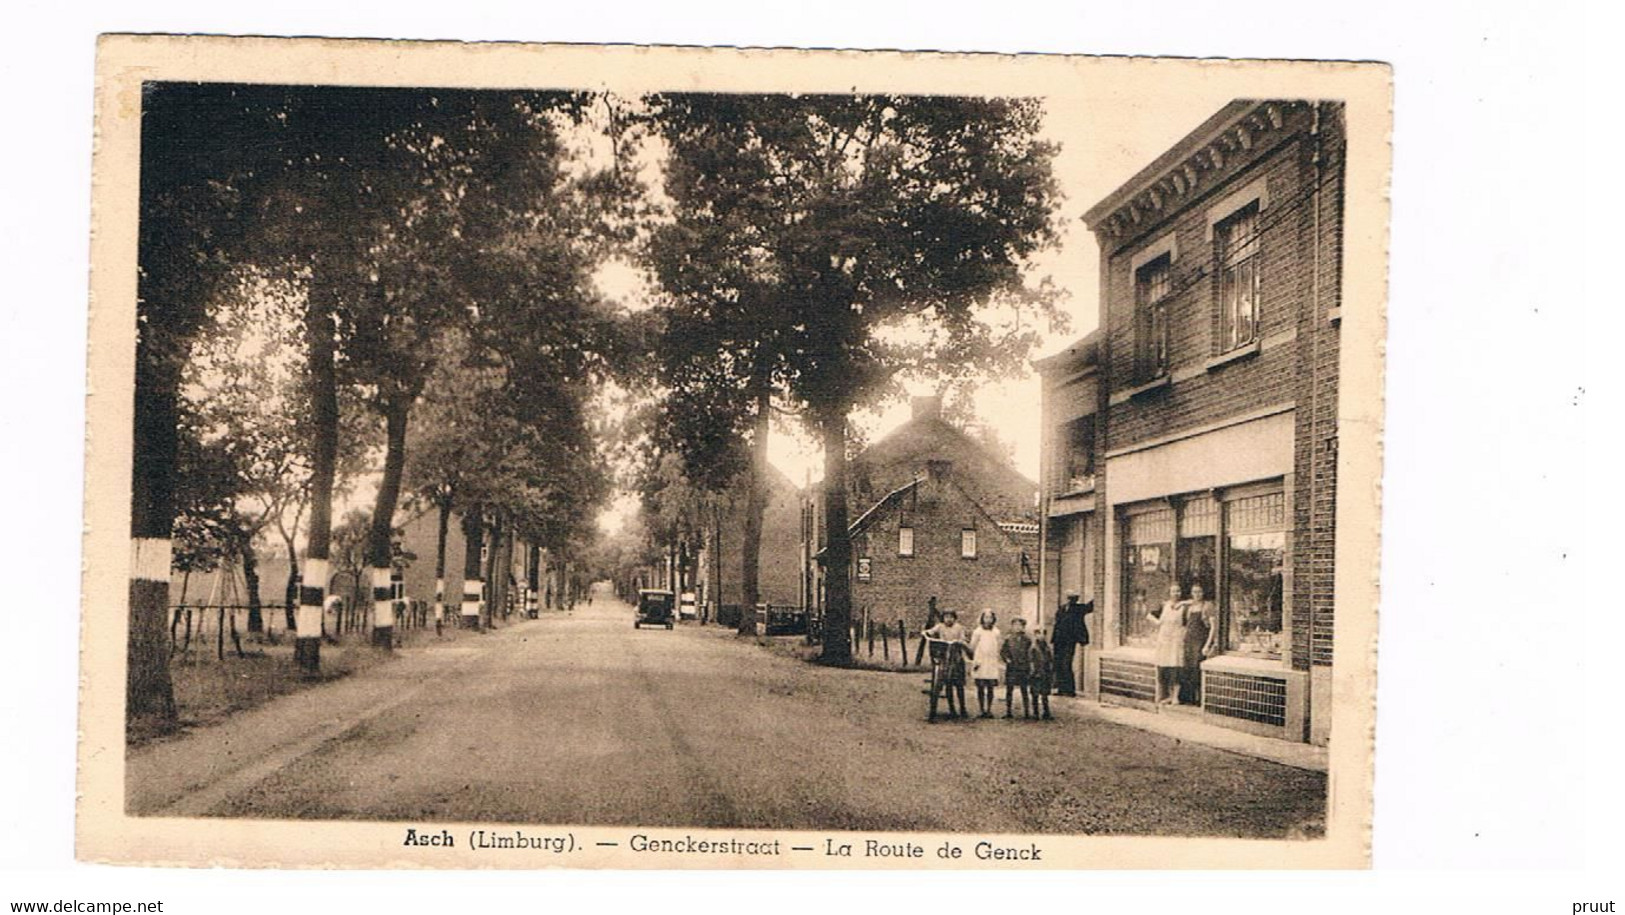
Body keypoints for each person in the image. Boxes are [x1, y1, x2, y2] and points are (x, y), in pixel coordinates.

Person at [922, 609, 969, 721]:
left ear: (955, 618)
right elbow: (930, 632)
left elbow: (963, 638)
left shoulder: (959, 628)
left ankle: (962, 708)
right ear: (943, 618)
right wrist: (926, 633)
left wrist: (960, 641)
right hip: (944, 658)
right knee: (945, 683)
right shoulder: (940, 627)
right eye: (946, 617)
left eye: (951, 617)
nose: (949, 619)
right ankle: (951, 708)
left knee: (958, 684)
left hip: (956, 658)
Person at [1149, 582, 1188, 705]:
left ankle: (1175, 696)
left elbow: (1194, 603)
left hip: (1176, 640)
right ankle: (1164, 695)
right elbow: (1149, 615)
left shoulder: (1184, 607)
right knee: (1164, 667)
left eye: (1178, 591)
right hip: (1164, 640)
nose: (1176, 594)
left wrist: (1183, 602)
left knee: (1176, 668)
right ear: (1169, 593)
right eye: (1173, 591)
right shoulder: (1164, 605)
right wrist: (1158, 623)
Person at [1180, 582, 1216, 705]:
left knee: (1197, 668)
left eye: (1199, 592)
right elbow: (1186, 625)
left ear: (1203, 592)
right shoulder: (1189, 607)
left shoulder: (1207, 606)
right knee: (1187, 668)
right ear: (1191, 593)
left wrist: (1207, 645)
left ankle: (1198, 699)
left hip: (1200, 640)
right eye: (1194, 592)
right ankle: (1187, 698)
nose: (1197, 595)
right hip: (1188, 640)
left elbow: (1213, 627)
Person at [1051, 594, 1092, 696]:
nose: (1071, 600)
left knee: (1066, 664)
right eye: (1069, 598)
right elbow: (1057, 623)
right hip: (1059, 641)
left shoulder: (1078, 608)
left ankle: (1070, 690)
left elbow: (1089, 607)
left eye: (1073, 599)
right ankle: (1061, 689)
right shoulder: (1061, 608)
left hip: (1069, 641)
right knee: (1058, 664)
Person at [967, 609, 1003, 719]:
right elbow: (972, 646)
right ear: (982, 618)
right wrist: (974, 660)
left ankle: (989, 709)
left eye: (990, 618)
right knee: (980, 687)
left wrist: (997, 658)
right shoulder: (978, 631)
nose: (988, 620)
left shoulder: (996, 632)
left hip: (991, 662)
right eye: (986, 617)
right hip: (981, 661)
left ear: (993, 619)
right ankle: (981, 709)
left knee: (990, 687)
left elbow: (999, 646)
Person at [999, 617, 1034, 719]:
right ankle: (1008, 711)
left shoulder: (1027, 640)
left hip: (1023, 668)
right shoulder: (1008, 639)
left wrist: (1029, 663)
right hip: (1012, 668)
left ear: (1023, 627)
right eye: (1015, 625)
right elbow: (1003, 652)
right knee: (1009, 690)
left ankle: (1027, 712)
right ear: (1012, 627)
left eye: (1020, 625)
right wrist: (1007, 659)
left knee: (1024, 690)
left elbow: (1030, 653)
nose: (1018, 627)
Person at [1029, 630, 1054, 720]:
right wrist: (1033, 671)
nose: (1041, 636)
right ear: (1035, 635)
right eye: (1039, 634)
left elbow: (1050, 660)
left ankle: (1046, 712)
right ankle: (1035, 713)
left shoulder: (1047, 648)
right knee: (1035, 694)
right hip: (1036, 674)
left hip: (1045, 674)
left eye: (1043, 634)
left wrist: (1050, 671)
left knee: (1045, 694)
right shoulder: (1033, 648)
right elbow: (1031, 660)